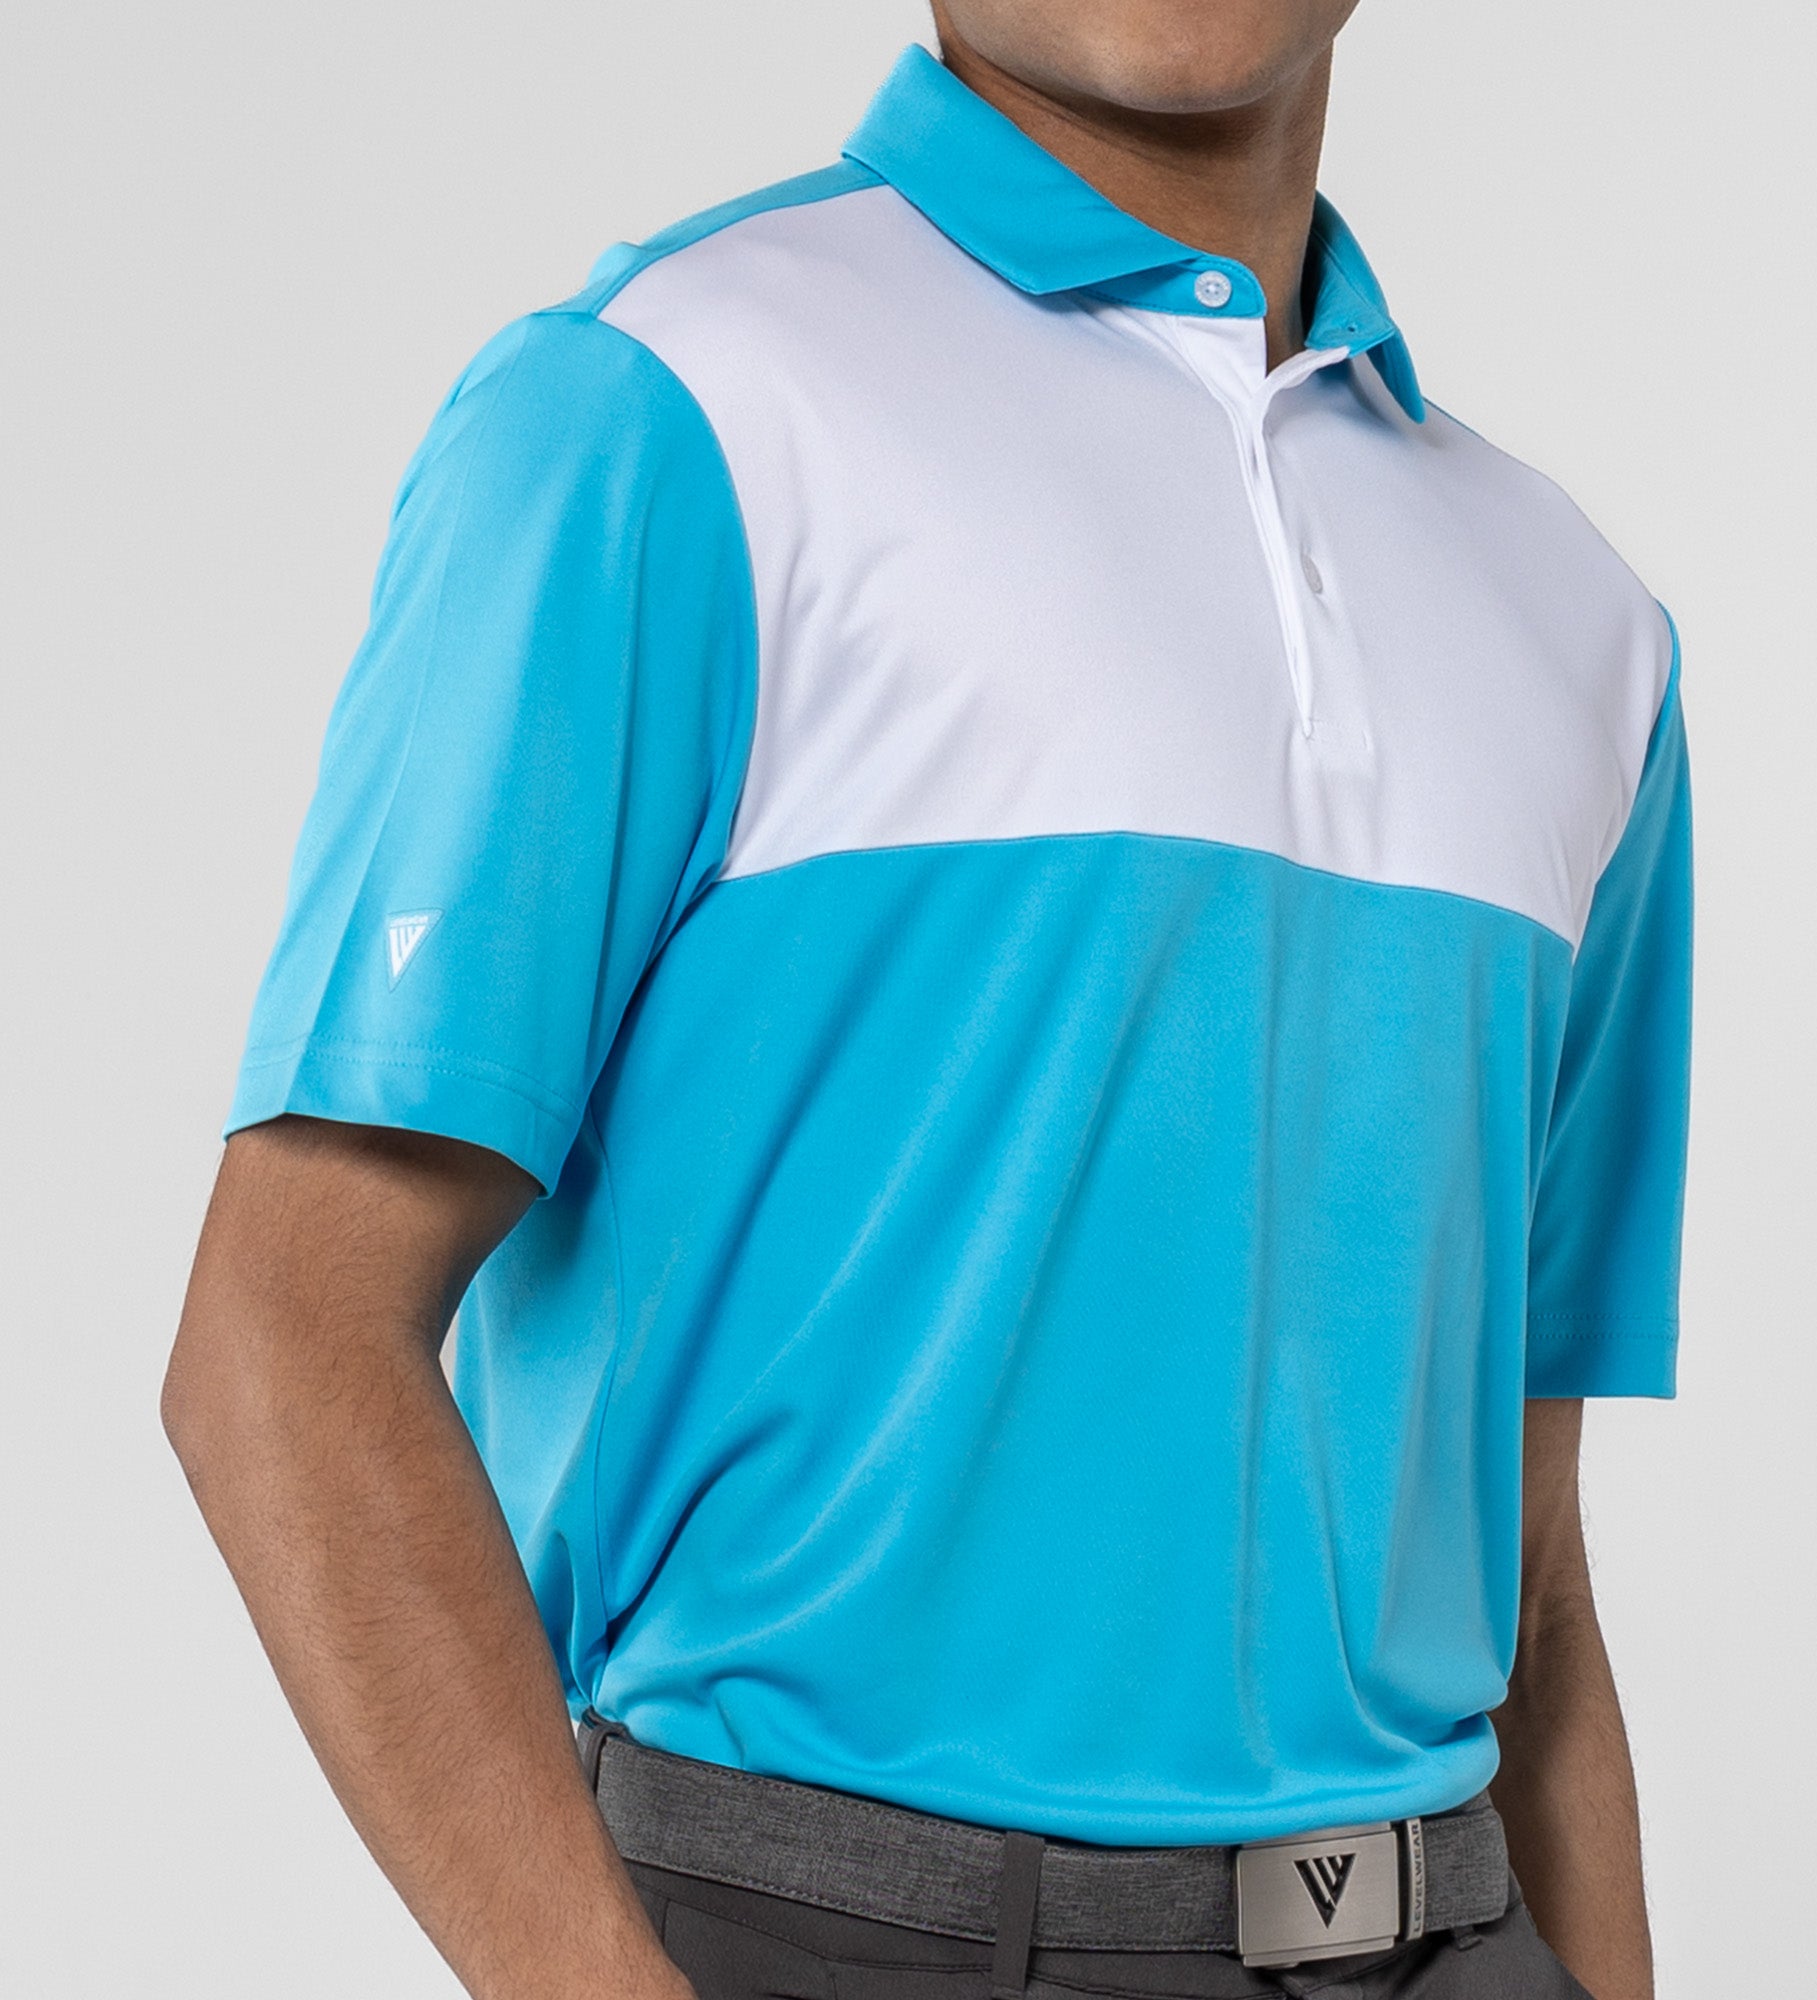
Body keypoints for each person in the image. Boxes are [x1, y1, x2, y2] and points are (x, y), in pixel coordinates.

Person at [162, 4, 1692, 1997]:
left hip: (1446, 1927)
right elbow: (286, 1341)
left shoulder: (1581, 624)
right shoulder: (666, 405)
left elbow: (1531, 1578)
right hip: (831, 1933)